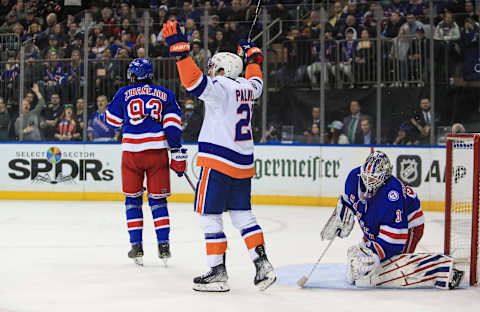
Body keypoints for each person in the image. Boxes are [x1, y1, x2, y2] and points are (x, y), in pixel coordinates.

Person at [162, 20, 276, 292]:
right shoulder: (250, 88)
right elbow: (257, 79)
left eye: (213, 66)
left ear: (224, 70)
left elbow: (193, 82)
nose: (209, 70)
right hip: (243, 163)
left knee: (208, 215)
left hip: (217, 162)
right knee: (243, 216)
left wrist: (180, 52)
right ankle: (263, 265)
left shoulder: (221, 87)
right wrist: (253, 59)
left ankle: (217, 272)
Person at [320, 151, 464, 289]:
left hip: (407, 226)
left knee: (396, 267)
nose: (369, 181)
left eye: (374, 178)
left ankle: (444, 270)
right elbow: (348, 202)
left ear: (385, 176)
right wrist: (341, 217)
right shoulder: (353, 177)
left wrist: (374, 254)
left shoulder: (391, 195)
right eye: (367, 176)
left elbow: (394, 240)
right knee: (360, 272)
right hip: (376, 223)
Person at [105, 58, 187, 266]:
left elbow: (112, 122)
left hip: (132, 154)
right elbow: (173, 127)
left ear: (133, 75)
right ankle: (164, 246)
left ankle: (136, 246)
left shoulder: (123, 93)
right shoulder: (166, 94)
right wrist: (176, 151)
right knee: (158, 201)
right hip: (157, 154)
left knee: (132, 200)